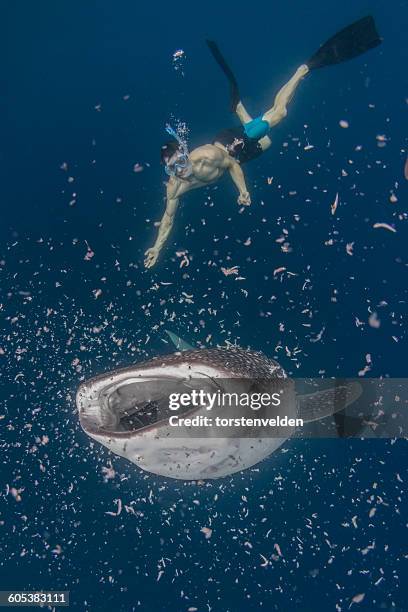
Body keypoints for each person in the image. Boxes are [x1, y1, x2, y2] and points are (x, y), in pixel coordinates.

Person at [144, 16, 381, 268]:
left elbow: (232, 164)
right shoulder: (174, 189)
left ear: (185, 153)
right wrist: (157, 249)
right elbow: (167, 220)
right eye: (173, 168)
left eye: (180, 162)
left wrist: (243, 191)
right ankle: (238, 107)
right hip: (237, 149)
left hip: (229, 145)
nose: (180, 169)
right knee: (267, 143)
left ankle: (302, 70)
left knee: (278, 115)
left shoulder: (205, 156)